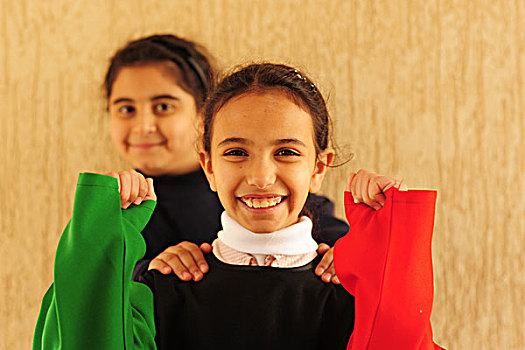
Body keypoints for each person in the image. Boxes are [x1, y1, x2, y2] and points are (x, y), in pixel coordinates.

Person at [33, 63, 443, 349]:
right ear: (208, 166)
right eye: (235, 152)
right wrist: (102, 240)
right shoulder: (163, 288)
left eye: (285, 151)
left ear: (319, 167)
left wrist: (388, 247)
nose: (261, 176)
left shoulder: (355, 298)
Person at [104, 34, 349, 284]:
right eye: (126, 109)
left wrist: (346, 256)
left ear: (204, 113)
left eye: (164, 107)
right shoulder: (121, 208)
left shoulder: (277, 196)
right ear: (209, 165)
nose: (143, 126)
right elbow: (95, 292)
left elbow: (348, 249)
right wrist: (149, 274)